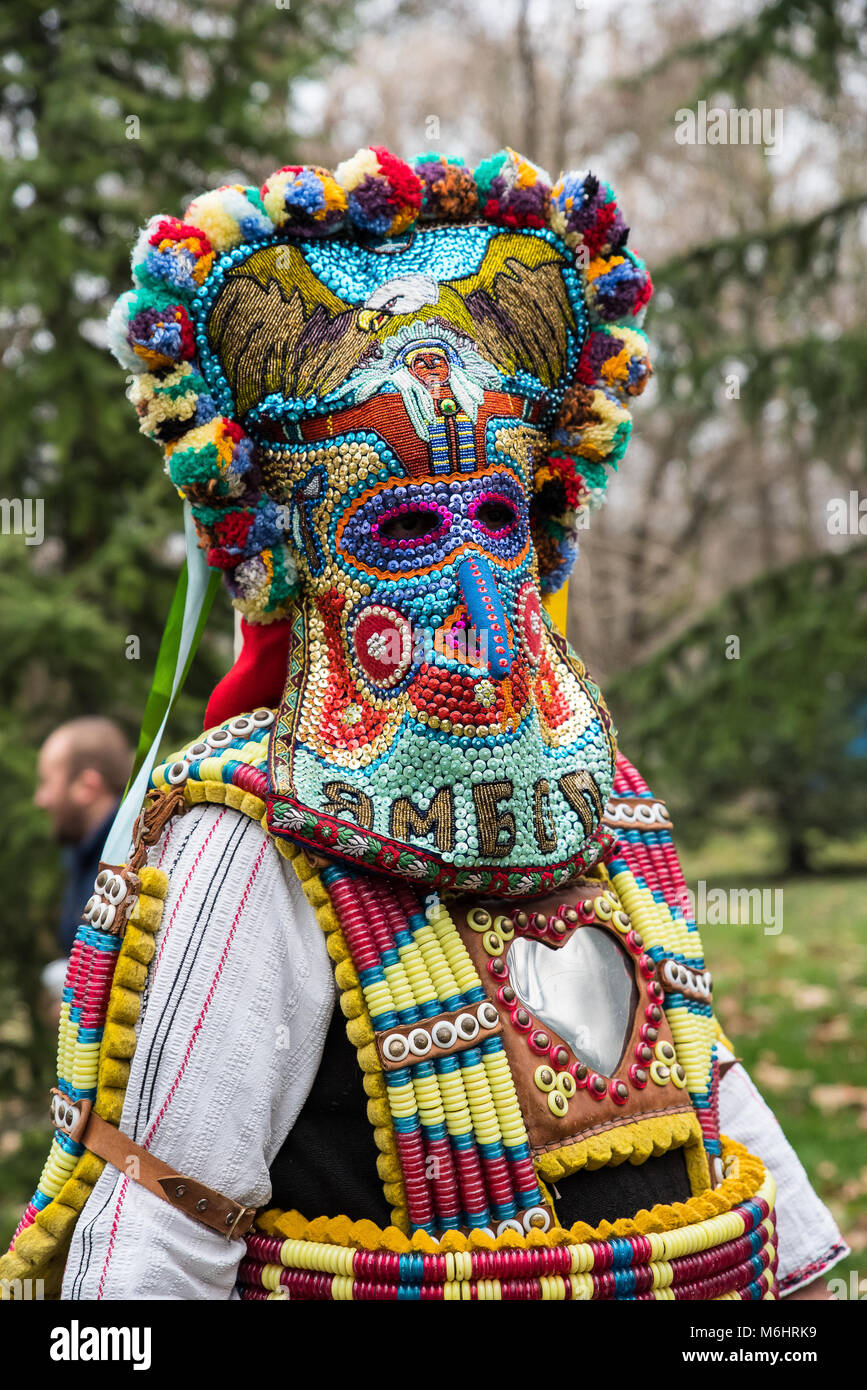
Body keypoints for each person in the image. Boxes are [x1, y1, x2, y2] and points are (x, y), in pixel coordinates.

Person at [1, 148, 847, 1302]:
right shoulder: (252, 838)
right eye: (401, 531)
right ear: (307, 560)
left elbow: (707, 1096)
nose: (475, 594)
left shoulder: (608, 800)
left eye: (498, 517)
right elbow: (157, 1244)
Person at [34, 718, 132, 954]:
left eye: (47, 783)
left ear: (87, 787)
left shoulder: (132, 865)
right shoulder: (83, 851)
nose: (40, 799)